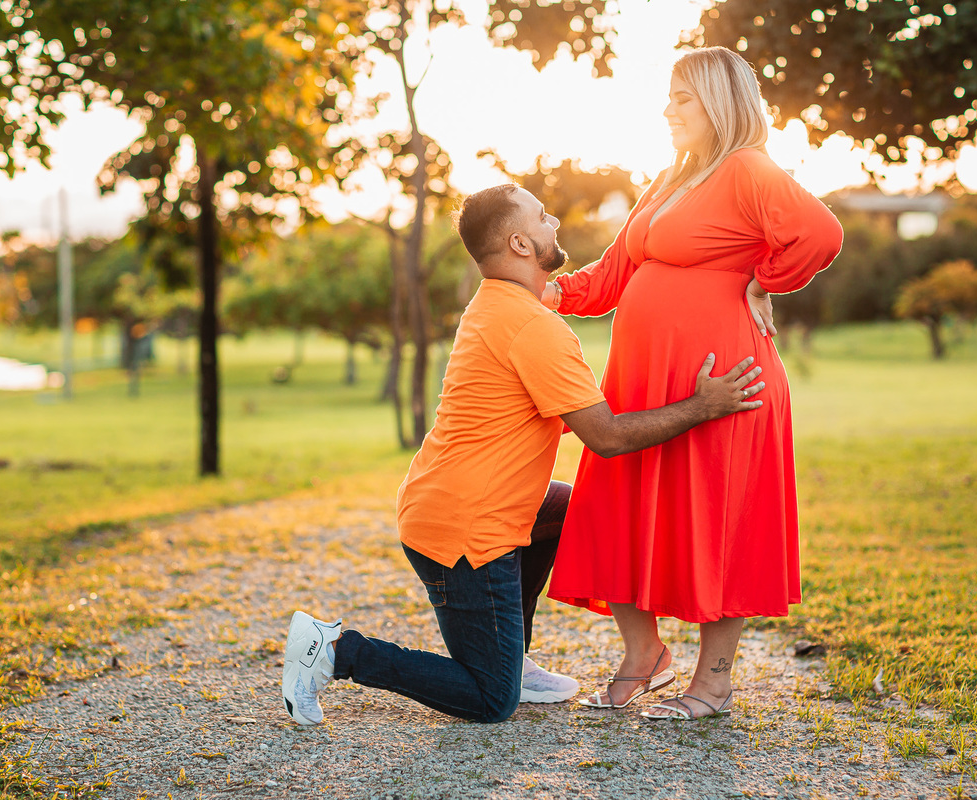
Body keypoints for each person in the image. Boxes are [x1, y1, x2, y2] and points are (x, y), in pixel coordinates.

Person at [281, 182, 768, 725]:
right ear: (518, 244)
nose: (553, 223)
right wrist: (703, 406)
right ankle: (333, 651)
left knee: (573, 506)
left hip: (451, 505)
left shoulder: (495, 306)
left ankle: (512, 655)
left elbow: (546, 414)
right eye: (542, 217)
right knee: (491, 700)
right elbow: (605, 437)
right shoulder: (533, 327)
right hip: (465, 532)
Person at [543, 46, 844, 721]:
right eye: (669, 97)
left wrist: (762, 280)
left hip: (723, 383)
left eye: (683, 98)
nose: (668, 110)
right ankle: (643, 654)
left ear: (719, 101)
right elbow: (612, 274)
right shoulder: (669, 178)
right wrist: (541, 291)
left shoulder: (746, 169)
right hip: (646, 386)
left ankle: (713, 685)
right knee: (615, 503)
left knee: (721, 519)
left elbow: (820, 234)